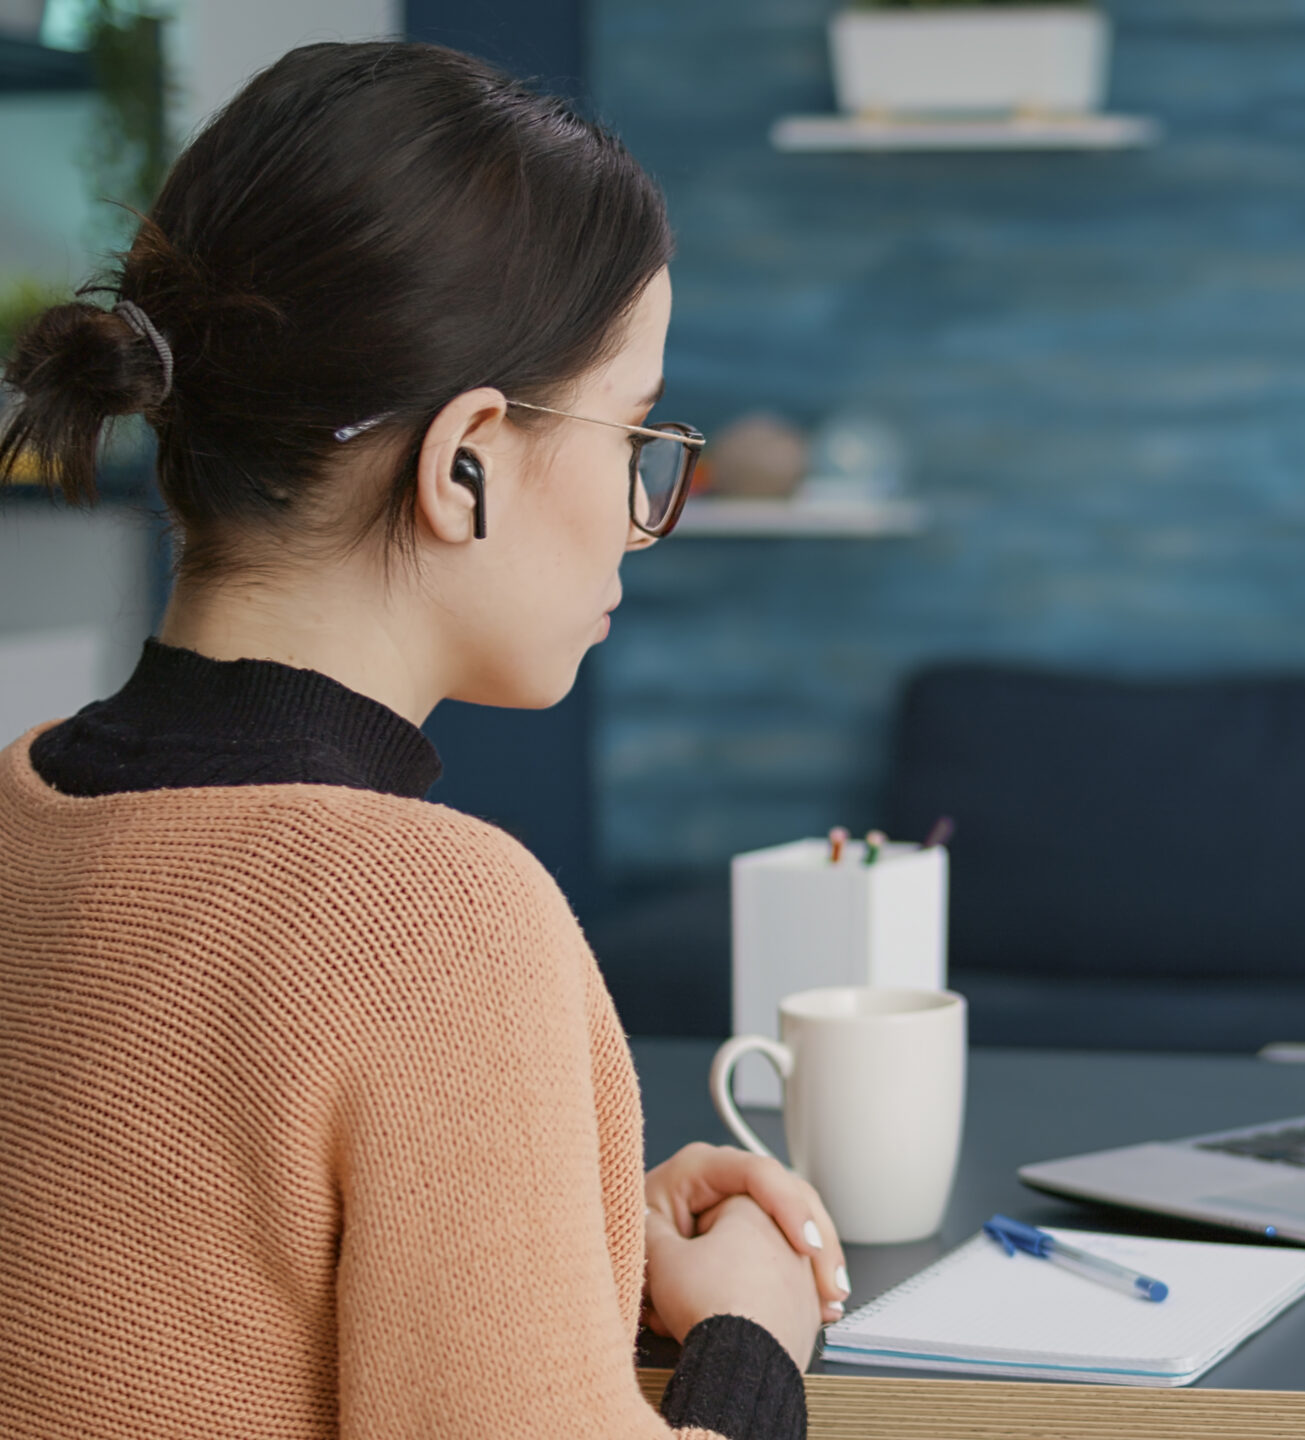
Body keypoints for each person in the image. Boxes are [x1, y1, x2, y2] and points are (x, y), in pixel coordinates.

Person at [0, 43, 846, 1439]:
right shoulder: (430, 922)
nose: (644, 512)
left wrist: (538, 1231)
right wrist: (758, 1331)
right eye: (634, 433)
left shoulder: (22, 798)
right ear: (465, 466)